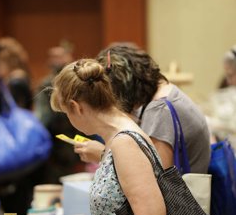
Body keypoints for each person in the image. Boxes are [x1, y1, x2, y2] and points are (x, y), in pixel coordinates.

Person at [50, 58, 193, 215]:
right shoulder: (118, 138)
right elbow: (116, 212)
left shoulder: (124, 142)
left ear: (76, 107)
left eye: (67, 112)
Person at [74, 44, 210, 174]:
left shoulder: (159, 109)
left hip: (183, 196)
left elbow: (155, 176)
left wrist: (104, 155)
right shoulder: (166, 92)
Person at [34, 41, 85, 183]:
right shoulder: (45, 85)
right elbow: (43, 118)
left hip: (76, 137)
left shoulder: (79, 81)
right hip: (54, 145)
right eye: (52, 56)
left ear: (69, 56)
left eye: (59, 56)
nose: (55, 60)